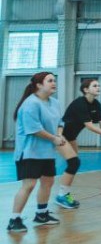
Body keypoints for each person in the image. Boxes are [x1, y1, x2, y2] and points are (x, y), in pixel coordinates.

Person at [8, 72, 66, 232]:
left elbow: (60, 122)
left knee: (48, 182)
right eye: (50, 81)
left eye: (54, 80)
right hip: (29, 152)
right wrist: (54, 138)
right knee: (29, 185)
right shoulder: (30, 104)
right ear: (39, 85)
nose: (54, 83)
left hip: (47, 152)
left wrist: (59, 135)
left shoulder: (55, 103)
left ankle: (41, 214)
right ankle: (14, 220)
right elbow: (34, 129)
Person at [54, 77, 101, 209]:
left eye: (99, 86)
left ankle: (64, 193)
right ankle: (61, 195)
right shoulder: (80, 103)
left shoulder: (96, 104)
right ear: (86, 90)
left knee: (74, 164)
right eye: (95, 86)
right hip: (60, 135)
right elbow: (89, 126)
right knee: (74, 163)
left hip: (71, 137)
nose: (98, 88)